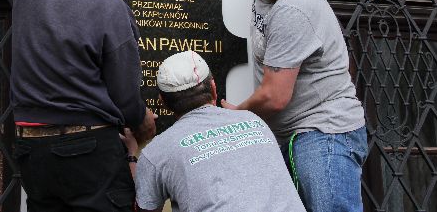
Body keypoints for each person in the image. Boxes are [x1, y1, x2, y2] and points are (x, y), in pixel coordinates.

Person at [191, 0, 367, 212]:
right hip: (295, 134)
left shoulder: (292, 10)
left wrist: (234, 116)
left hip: (322, 133)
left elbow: (275, 97)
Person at [4, 0, 156, 212]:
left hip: (31, 150)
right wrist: (142, 120)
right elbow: (124, 93)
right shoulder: (112, 6)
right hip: (89, 154)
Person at [123, 50, 306, 212]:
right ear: (213, 88)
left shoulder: (156, 152)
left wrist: (132, 153)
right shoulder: (254, 120)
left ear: (162, 101)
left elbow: (145, 207)